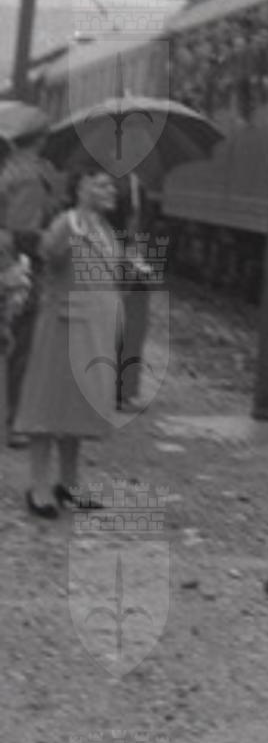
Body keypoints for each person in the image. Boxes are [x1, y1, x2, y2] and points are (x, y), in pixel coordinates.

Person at [15, 167, 126, 517]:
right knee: (48, 406)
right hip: (63, 329)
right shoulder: (68, 222)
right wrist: (70, 230)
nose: (112, 191)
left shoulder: (105, 229)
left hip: (94, 331)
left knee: (78, 408)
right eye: (102, 184)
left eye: (112, 185)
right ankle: (39, 487)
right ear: (82, 186)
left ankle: (68, 483)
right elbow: (49, 254)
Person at [0, 130, 63, 441]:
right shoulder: (29, 176)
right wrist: (50, 239)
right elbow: (21, 232)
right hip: (15, 268)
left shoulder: (13, 174)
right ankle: (17, 422)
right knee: (21, 344)